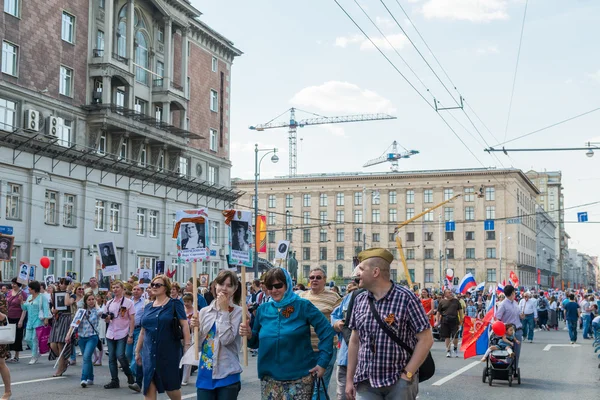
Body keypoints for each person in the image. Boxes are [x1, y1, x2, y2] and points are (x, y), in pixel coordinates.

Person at [345, 248, 432, 400]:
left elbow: (426, 339)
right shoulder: (360, 299)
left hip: (398, 382)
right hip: (366, 382)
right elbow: (354, 341)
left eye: (361, 269)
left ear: (375, 272)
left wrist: (408, 374)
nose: (356, 274)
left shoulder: (406, 298)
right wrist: (349, 379)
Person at [239, 268, 334, 399]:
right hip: (270, 379)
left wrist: (323, 362)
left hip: (299, 378)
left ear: (287, 285)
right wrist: (249, 334)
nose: (274, 290)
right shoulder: (263, 309)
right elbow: (255, 342)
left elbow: (327, 331)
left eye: (278, 285)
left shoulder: (303, 306)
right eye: (270, 286)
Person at [185, 270, 243, 398]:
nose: (224, 288)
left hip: (227, 373)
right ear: (215, 285)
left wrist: (224, 311)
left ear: (235, 289)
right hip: (205, 373)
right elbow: (198, 344)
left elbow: (226, 339)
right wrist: (196, 328)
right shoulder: (204, 311)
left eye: (229, 285)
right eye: (221, 284)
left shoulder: (239, 312)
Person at [135, 275, 191, 399]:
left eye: (158, 285)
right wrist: (137, 351)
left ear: (166, 288)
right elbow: (143, 330)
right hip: (149, 352)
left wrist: (187, 347)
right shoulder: (148, 306)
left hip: (169, 351)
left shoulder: (174, 304)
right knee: (149, 384)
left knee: (171, 387)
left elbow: (185, 325)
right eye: (152, 285)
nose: (154, 287)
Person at [299, 268, 342, 399]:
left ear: (325, 280)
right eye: (312, 277)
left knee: (319, 387)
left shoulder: (334, 297)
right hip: (304, 350)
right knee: (305, 388)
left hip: (325, 349)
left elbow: (338, 320)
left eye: (318, 277)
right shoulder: (301, 297)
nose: (314, 280)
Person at [103, 281, 136, 389]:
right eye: (113, 287)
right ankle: (114, 380)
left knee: (120, 355)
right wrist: (107, 318)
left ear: (122, 289)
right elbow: (107, 319)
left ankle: (129, 375)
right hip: (111, 333)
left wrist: (130, 334)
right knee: (111, 358)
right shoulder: (109, 303)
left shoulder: (128, 302)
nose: (115, 289)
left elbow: (132, 319)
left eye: (117, 287)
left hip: (123, 332)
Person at [73, 293, 100, 388]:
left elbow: (101, 312)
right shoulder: (81, 311)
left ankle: (83, 378)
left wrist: (97, 304)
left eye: (93, 299)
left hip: (92, 337)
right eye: (89, 299)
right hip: (81, 337)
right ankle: (90, 378)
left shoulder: (96, 311)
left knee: (86, 357)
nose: (91, 301)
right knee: (87, 358)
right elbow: (74, 324)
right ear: (85, 301)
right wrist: (69, 335)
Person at [49, 278, 76, 375]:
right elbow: (52, 306)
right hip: (57, 319)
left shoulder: (72, 294)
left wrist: (68, 291)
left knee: (61, 343)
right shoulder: (55, 294)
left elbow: (68, 303)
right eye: (61, 283)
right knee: (52, 344)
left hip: (66, 319)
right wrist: (53, 309)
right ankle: (64, 361)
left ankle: (60, 369)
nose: (62, 285)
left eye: (64, 283)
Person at [21, 281, 50, 365]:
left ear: (34, 289)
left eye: (30, 288)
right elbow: (25, 308)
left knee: (34, 339)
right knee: (27, 338)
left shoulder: (42, 297)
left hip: (38, 320)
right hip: (30, 321)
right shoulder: (29, 297)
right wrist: (22, 303)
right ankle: (37, 351)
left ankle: (34, 357)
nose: (28, 289)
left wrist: (46, 319)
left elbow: (46, 308)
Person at [495, 285, 523, 371]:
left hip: (517, 330)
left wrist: (522, 315)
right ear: (511, 293)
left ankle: (514, 369)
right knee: (509, 352)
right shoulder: (502, 304)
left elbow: (519, 315)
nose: (515, 294)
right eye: (514, 292)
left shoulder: (515, 303)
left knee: (516, 353)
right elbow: (497, 319)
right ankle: (508, 369)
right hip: (508, 332)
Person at [127, 284, 146, 393]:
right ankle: (134, 375)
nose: (135, 291)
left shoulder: (145, 303)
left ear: (142, 291)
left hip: (140, 329)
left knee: (136, 353)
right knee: (127, 354)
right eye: (134, 289)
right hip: (128, 330)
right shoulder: (128, 302)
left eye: (138, 289)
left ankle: (134, 377)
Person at [436, 289, 463, 358]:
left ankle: (455, 348)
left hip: (454, 320)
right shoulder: (442, 301)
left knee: (455, 336)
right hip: (445, 320)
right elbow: (438, 312)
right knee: (447, 336)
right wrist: (437, 321)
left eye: (451, 292)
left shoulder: (456, 301)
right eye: (449, 292)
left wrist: (461, 320)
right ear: (445, 294)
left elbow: (460, 310)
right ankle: (448, 350)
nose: (451, 293)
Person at [6, 279, 27, 363]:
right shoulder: (10, 292)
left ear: (18, 284)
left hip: (18, 317)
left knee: (17, 336)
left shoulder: (23, 294)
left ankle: (16, 355)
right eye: (12, 284)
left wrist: (21, 320)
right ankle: (8, 353)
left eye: (14, 284)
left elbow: (24, 309)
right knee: (8, 336)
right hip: (8, 317)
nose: (13, 285)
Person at [0, 290, 12, 399]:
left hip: (0, 334)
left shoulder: (1, 297)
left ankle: (7, 391)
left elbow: (3, 316)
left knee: (1, 363)